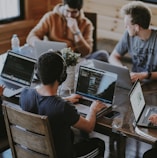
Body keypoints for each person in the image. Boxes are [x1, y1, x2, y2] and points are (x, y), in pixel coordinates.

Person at [19, 50, 106, 158]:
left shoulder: (25, 94)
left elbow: (45, 104)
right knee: (99, 143)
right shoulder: (63, 107)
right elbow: (88, 127)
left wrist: (65, 99)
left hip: (33, 152)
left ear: (38, 73)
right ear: (62, 76)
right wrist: (93, 109)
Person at [26, 0, 109, 61]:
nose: (69, 15)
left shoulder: (87, 24)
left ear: (79, 11)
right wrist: (41, 45)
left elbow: (86, 52)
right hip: (53, 57)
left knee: (103, 55)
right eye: (67, 11)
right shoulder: (50, 17)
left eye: (74, 12)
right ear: (63, 6)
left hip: (75, 60)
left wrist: (76, 32)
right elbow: (31, 36)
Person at [109, 1, 157, 83]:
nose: (125, 27)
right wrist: (122, 68)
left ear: (137, 27)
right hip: (135, 83)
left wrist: (145, 75)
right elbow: (113, 57)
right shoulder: (128, 35)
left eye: (127, 25)